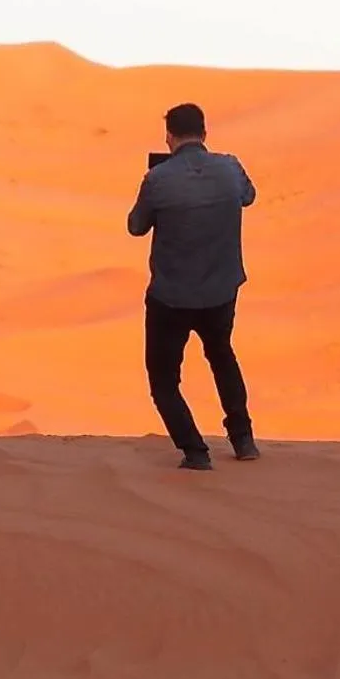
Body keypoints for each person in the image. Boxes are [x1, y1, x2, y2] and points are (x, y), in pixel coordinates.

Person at [128, 103, 259, 470]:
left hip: (171, 296)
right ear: (205, 133)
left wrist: (156, 184)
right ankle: (244, 439)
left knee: (164, 378)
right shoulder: (231, 168)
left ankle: (195, 451)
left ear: (169, 137)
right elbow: (248, 196)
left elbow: (136, 226)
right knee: (221, 356)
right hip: (220, 290)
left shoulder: (158, 179)